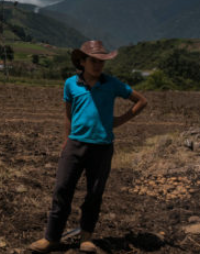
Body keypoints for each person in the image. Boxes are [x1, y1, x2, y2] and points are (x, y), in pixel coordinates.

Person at [29, 40, 148, 253]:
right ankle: (51, 238)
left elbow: (141, 101)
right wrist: (66, 141)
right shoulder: (71, 84)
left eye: (101, 61)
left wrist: (119, 121)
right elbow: (68, 114)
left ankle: (86, 238)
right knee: (62, 190)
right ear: (82, 62)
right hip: (75, 145)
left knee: (94, 193)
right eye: (93, 61)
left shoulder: (112, 84)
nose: (98, 65)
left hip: (102, 147)